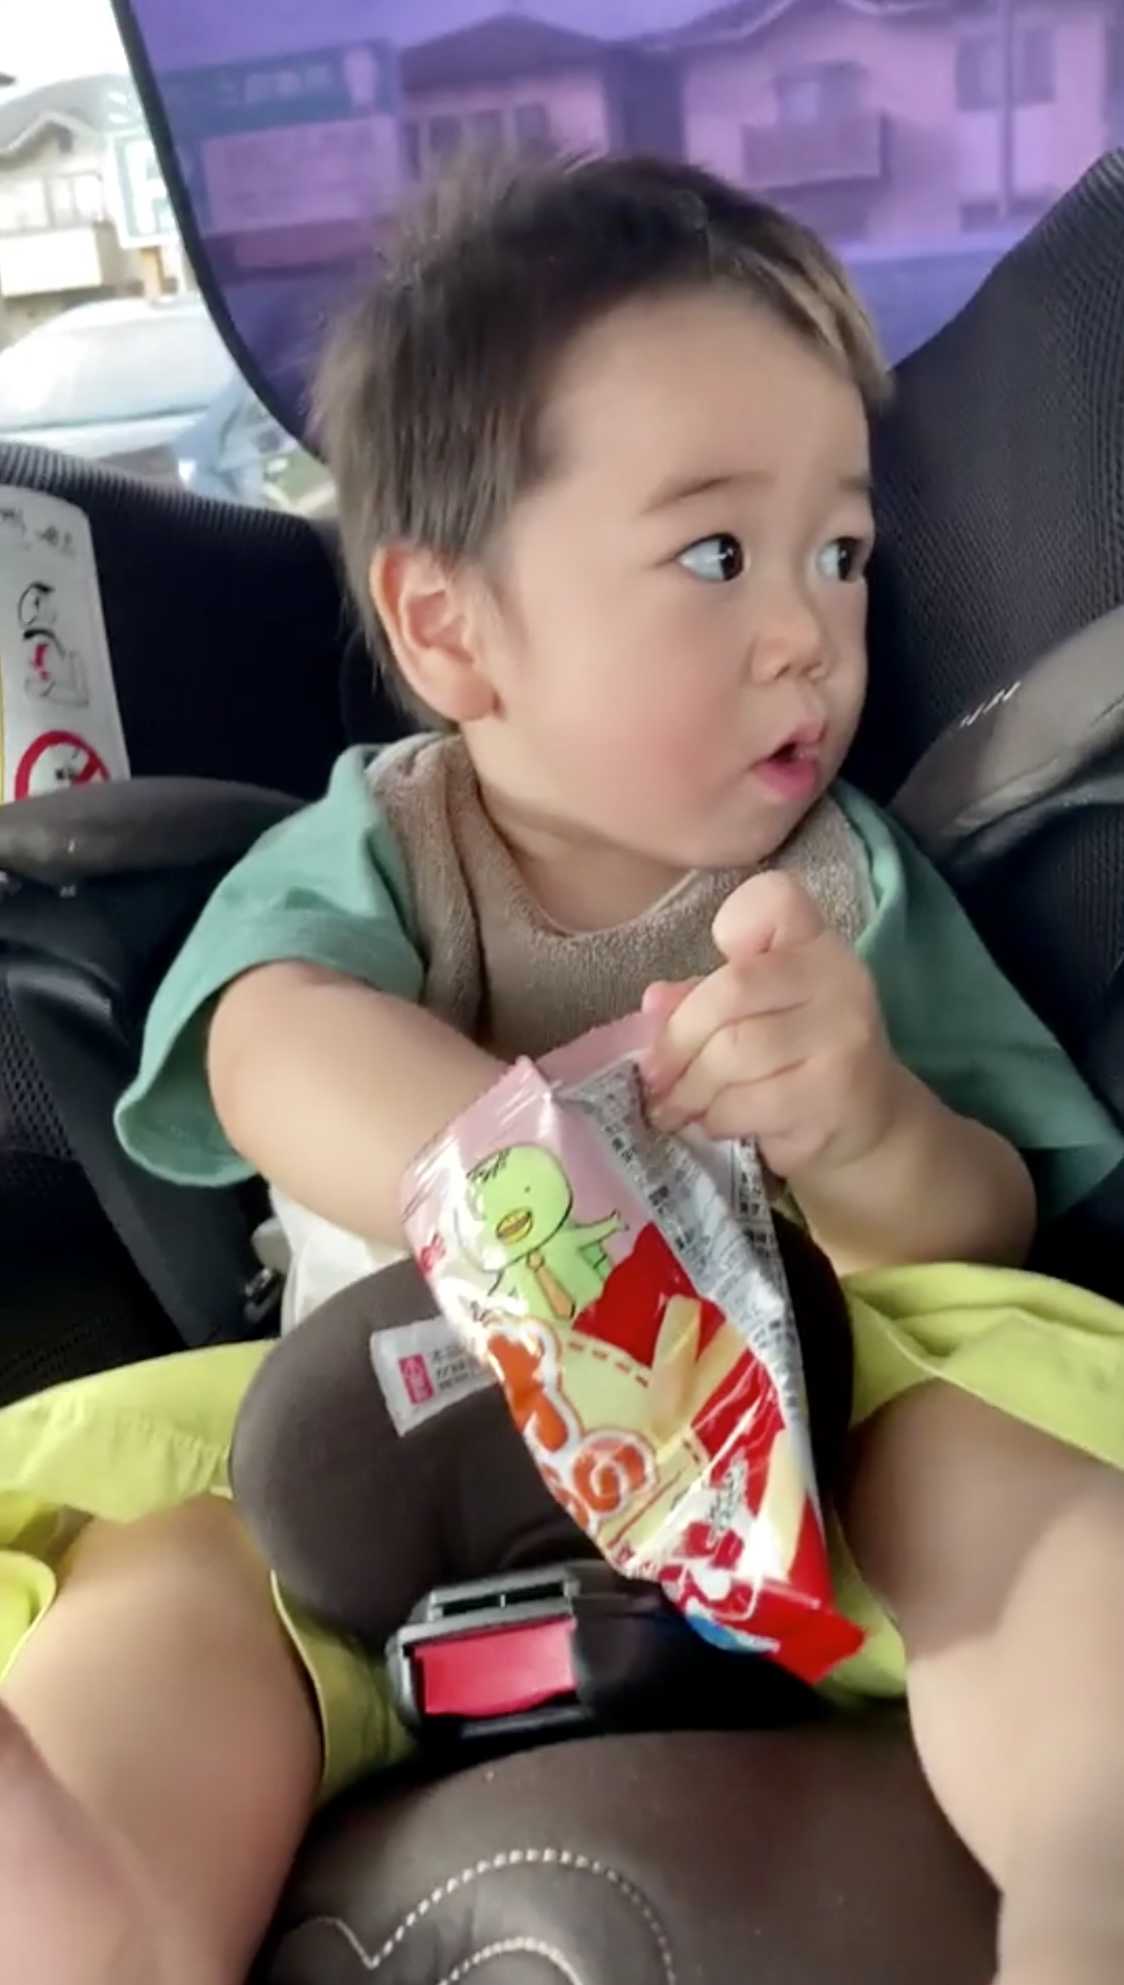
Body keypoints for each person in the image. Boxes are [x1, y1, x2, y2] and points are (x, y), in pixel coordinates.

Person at [1, 153, 1123, 1985]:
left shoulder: (838, 889)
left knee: (1006, 1475)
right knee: (170, 1570)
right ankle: (89, 1903)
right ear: (449, 626)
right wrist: (531, 1191)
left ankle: (1092, 1848)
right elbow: (265, 1040)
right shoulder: (388, 845)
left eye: (842, 554)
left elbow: (988, 1214)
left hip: (798, 1436)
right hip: (388, 1433)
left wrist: (870, 1122)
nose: (811, 632)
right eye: (717, 555)